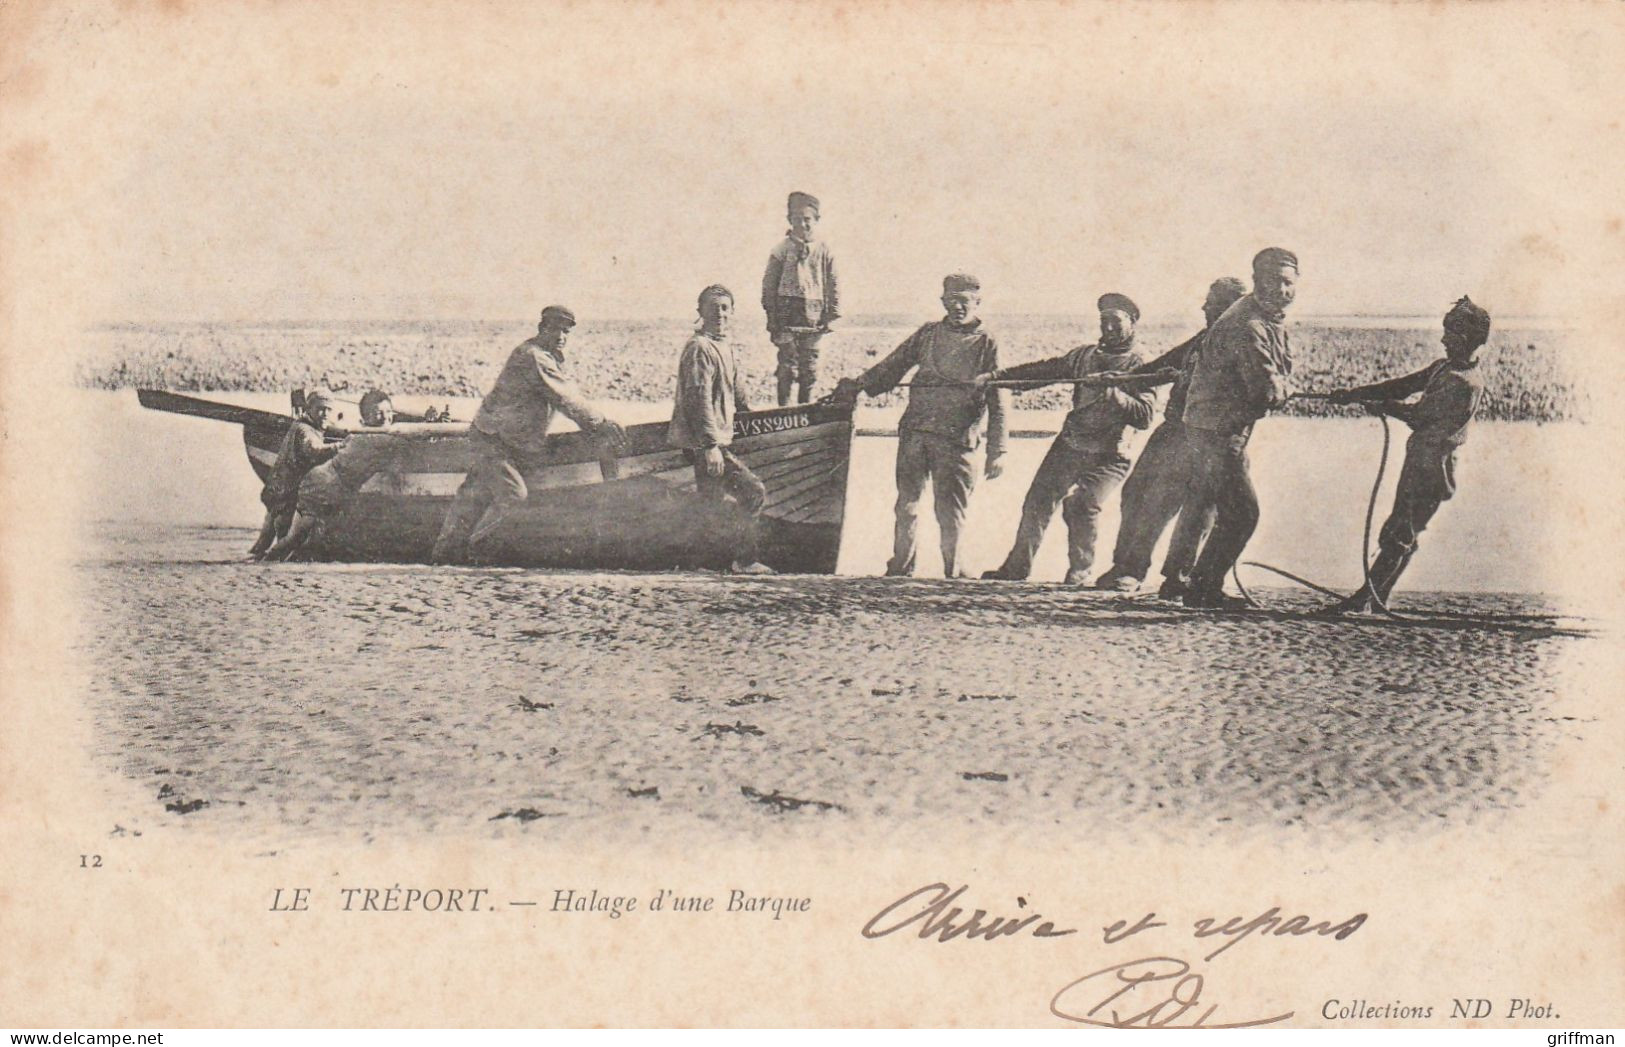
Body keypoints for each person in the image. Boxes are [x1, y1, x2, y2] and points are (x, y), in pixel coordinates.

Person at [1320, 297, 1491, 613]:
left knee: (1400, 532)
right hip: (1422, 461)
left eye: (1450, 334)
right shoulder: (1445, 368)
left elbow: (1418, 417)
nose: (1443, 339)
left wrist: (1380, 406)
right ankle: (1376, 598)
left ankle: (1364, 600)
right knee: (1405, 530)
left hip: (1433, 467)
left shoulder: (1462, 382)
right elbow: (1402, 386)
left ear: (1467, 339)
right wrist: (1356, 395)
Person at [830, 274, 1008, 578]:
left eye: (964, 301)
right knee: (906, 506)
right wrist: (858, 385)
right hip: (915, 434)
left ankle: (953, 573)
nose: (957, 307)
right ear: (943, 301)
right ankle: (901, 568)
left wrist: (998, 450)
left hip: (957, 440)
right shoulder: (928, 334)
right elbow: (893, 365)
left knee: (950, 513)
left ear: (977, 303)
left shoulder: (987, 342)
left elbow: (999, 398)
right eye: (952, 300)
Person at [978, 293, 1155, 584]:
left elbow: (1145, 416)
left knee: (1082, 505)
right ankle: (1015, 569)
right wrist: (997, 377)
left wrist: (1114, 393)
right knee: (1037, 502)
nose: (1108, 328)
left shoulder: (1142, 363)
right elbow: (1043, 371)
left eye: (1116, 321)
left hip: (1111, 455)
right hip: (1070, 445)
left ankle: (1080, 572)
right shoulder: (1083, 356)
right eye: (1104, 321)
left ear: (1133, 323)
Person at [429, 306, 626, 564]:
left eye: (566, 331)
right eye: (555, 329)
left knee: (472, 499)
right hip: (494, 441)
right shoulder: (534, 357)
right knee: (513, 496)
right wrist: (601, 423)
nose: (561, 336)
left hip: (500, 440)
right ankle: (473, 554)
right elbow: (564, 398)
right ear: (542, 328)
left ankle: (442, 558)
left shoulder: (548, 357)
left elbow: (565, 397)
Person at [1094, 277, 1248, 596]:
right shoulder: (1203, 339)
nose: (1205, 308)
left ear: (1233, 309)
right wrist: (1123, 379)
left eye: (1214, 304)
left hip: (1209, 436)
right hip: (1173, 430)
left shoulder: (1242, 342)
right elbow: (1161, 367)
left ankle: (1177, 577)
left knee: (1193, 506)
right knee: (1137, 493)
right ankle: (1128, 567)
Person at [1172, 248, 1299, 609]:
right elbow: (1266, 390)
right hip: (1215, 431)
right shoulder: (1248, 324)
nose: (1283, 290)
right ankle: (1202, 590)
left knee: (1227, 506)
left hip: (1218, 428)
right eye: (1275, 282)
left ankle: (1198, 585)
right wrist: (1283, 388)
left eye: (1289, 283)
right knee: (1243, 512)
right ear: (1258, 281)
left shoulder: (1266, 318)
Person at [669, 284, 775, 575]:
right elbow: (698, 398)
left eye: (725, 308)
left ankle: (700, 563)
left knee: (711, 502)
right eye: (713, 307)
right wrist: (710, 446)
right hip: (703, 442)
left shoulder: (724, 345)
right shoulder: (699, 347)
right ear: (700, 312)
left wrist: (757, 423)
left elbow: (738, 395)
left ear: (732, 312)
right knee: (753, 491)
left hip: (714, 440)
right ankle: (744, 560)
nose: (720, 313)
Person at [260, 431, 406, 561]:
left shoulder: (356, 437)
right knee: (300, 533)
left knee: (303, 536)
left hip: (324, 480)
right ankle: (269, 560)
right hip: (325, 483)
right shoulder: (378, 439)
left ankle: (272, 559)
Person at [762, 191, 841, 405]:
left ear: (816, 220)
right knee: (787, 367)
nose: (802, 224)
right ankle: (783, 411)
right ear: (790, 220)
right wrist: (772, 316)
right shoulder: (781, 250)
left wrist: (831, 314)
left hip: (813, 318)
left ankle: (806, 411)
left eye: (807, 219)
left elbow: (833, 283)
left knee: (810, 369)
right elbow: (769, 285)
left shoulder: (824, 251)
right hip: (786, 317)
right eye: (797, 219)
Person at [249, 388, 342, 558]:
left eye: (329, 410)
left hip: (279, 485)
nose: (324, 413)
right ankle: (274, 565)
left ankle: (259, 558)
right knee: (283, 528)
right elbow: (313, 450)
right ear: (309, 409)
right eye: (320, 409)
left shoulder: (303, 424)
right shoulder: (304, 430)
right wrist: (338, 447)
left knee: (268, 532)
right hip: (287, 488)